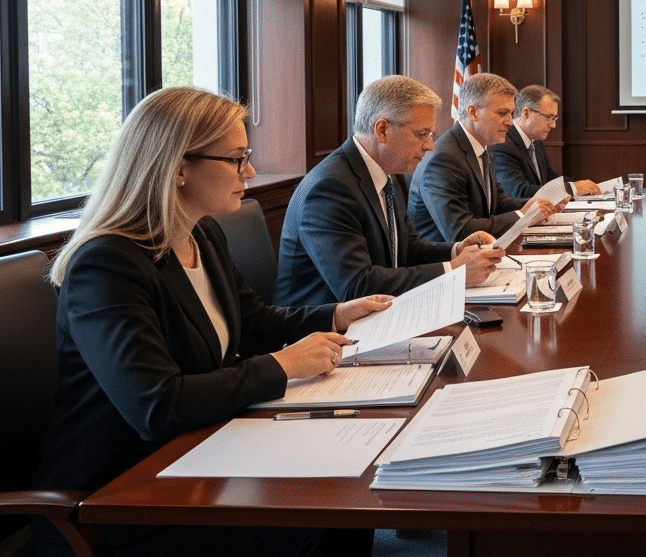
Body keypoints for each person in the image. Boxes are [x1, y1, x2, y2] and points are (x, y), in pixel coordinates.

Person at [35, 87, 388, 556]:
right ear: (179, 166)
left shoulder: (200, 231)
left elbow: (252, 319)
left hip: (200, 454)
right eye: (237, 159)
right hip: (119, 500)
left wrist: (337, 314)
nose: (252, 172)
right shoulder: (106, 265)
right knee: (325, 512)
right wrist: (283, 365)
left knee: (344, 491)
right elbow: (156, 406)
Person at [275, 75, 503, 309]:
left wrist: (457, 250)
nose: (430, 146)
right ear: (382, 130)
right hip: (322, 335)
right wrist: (453, 270)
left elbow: (407, 247)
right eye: (422, 134)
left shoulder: (386, 172)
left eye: (431, 135)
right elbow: (357, 286)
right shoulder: (329, 188)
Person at [408, 73, 561, 241]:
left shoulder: (483, 146)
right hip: (449, 261)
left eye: (511, 113)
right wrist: (522, 215)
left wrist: (536, 205)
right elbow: (461, 231)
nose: (510, 122)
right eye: (502, 113)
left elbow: (496, 200)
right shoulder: (444, 159)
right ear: (473, 112)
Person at [493, 84, 601, 199]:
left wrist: (584, 187)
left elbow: (549, 178)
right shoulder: (502, 144)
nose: (553, 125)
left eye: (554, 118)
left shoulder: (536, 141)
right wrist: (573, 188)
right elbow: (519, 192)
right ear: (526, 113)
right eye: (548, 117)